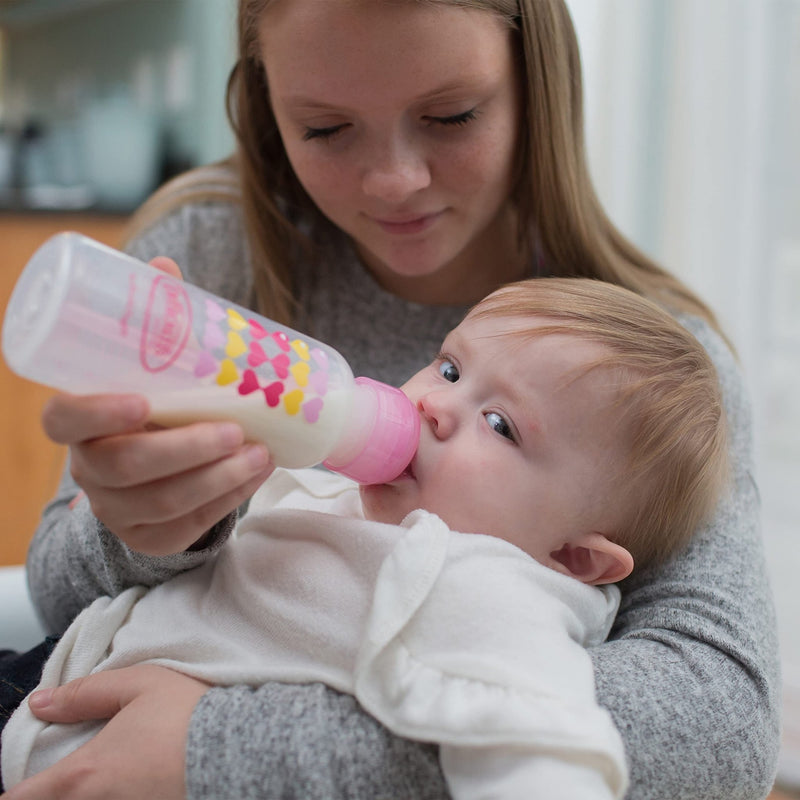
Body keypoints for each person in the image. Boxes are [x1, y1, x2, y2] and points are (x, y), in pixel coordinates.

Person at [14, 0, 779, 798]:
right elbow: (55, 597)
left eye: (451, 115)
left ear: (536, 84)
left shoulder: (651, 383)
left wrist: (226, 750)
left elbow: (717, 728)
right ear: (264, 100)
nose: (395, 180)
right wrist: (137, 527)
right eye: (326, 129)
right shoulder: (207, 257)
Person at [3, 278, 730, 800]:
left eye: (501, 424)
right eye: (450, 367)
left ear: (573, 557)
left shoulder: (491, 590)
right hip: (55, 683)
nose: (436, 405)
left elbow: (540, 746)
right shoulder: (360, 495)